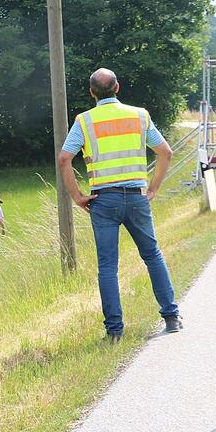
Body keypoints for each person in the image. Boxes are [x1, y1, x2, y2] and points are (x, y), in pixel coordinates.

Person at [57, 68, 181, 344]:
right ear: (117, 88)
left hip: (103, 200)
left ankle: (114, 332)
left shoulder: (85, 121)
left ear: (92, 92)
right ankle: (171, 317)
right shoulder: (140, 116)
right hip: (137, 197)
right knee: (152, 255)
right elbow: (166, 153)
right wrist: (153, 188)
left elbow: (65, 159)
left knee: (108, 267)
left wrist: (77, 197)